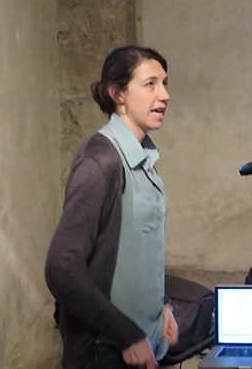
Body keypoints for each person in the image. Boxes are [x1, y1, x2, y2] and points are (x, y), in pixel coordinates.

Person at [45, 46, 178, 369]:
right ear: (118, 93)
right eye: (150, 84)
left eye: (164, 83)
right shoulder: (101, 160)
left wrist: (162, 305)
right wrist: (127, 335)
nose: (164, 95)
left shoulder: (141, 158)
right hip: (105, 351)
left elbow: (139, 251)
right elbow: (62, 268)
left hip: (140, 344)